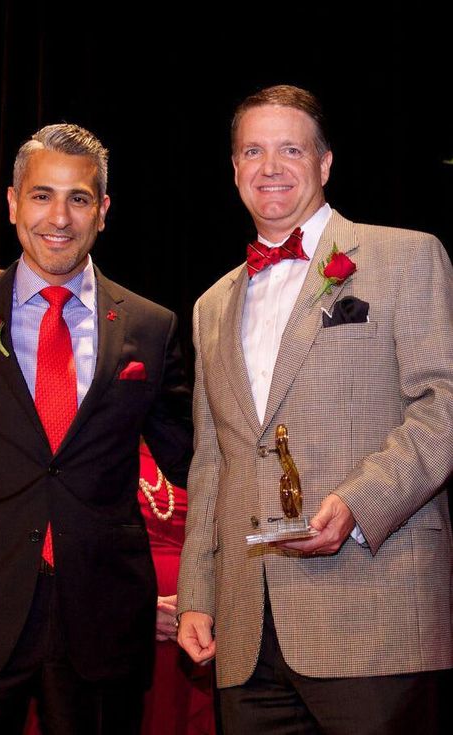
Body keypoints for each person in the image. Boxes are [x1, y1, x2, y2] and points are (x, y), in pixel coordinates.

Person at [177, 85, 453, 734]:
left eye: (290, 149)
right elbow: (211, 458)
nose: (269, 166)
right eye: (252, 150)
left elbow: (443, 406)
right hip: (248, 636)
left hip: (374, 614)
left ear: (325, 164)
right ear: (235, 169)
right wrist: (197, 595)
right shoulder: (211, 304)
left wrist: (359, 502)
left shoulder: (406, 257)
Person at [0, 123, 193, 734]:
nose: (58, 216)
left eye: (79, 198)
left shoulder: (151, 327)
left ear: (103, 211)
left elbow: (198, 462)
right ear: (12, 203)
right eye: (41, 195)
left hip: (104, 615)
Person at [137, 442, 215, 735]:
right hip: (124, 624)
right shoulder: (104, 440)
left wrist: (202, 598)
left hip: (199, 623)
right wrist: (136, 607)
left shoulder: (197, 445)